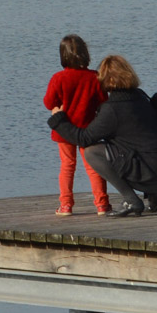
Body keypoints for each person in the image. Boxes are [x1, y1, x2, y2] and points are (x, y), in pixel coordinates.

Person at [47, 55, 157, 217]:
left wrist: (58, 120)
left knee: (92, 152)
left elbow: (84, 138)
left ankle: (132, 200)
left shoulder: (113, 109)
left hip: (151, 176)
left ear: (105, 80)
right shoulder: (141, 97)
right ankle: (154, 193)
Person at [44, 34, 111, 216]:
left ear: (63, 55)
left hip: (64, 129)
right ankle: (102, 204)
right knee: (94, 166)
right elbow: (104, 101)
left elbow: (49, 103)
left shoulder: (59, 78)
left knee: (67, 166)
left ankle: (66, 205)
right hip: (89, 129)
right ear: (85, 53)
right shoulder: (95, 77)